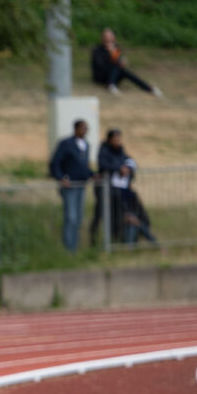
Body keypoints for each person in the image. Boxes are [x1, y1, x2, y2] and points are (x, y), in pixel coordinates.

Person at [49, 119, 94, 253]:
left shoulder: (86, 145)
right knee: (71, 217)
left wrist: (92, 175)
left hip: (81, 184)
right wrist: (60, 177)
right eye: (83, 128)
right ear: (76, 129)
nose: (85, 131)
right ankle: (69, 248)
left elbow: (83, 166)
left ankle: (75, 246)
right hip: (70, 186)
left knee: (79, 218)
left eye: (86, 129)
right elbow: (55, 162)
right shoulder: (66, 143)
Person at [91, 28, 163, 97]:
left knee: (125, 71)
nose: (109, 39)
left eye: (111, 36)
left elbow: (121, 62)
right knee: (117, 66)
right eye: (107, 37)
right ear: (103, 38)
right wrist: (111, 54)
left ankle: (149, 88)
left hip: (114, 77)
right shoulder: (97, 50)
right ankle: (111, 85)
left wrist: (118, 57)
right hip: (101, 77)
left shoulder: (115, 49)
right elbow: (100, 66)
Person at [91, 128, 130, 245]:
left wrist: (129, 167)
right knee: (100, 213)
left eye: (119, 138)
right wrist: (119, 168)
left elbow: (128, 160)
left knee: (116, 213)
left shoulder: (120, 150)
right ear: (109, 139)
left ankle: (115, 239)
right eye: (115, 138)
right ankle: (93, 238)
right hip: (103, 188)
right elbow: (103, 165)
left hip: (116, 189)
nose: (117, 141)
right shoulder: (104, 150)